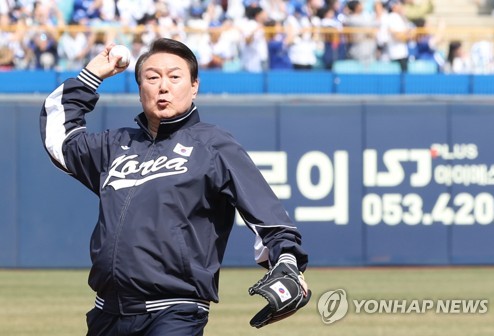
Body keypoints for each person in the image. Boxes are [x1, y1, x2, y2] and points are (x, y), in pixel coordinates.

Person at [40, 37, 309, 336]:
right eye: (152, 77)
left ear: (194, 86)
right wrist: (90, 76)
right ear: (141, 88)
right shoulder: (115, 146)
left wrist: (287, 261)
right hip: (108, 313)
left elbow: (269, 217)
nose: (162, 86)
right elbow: (60, 141)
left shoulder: (214, 145)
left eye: (175, 76)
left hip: (175, 312)